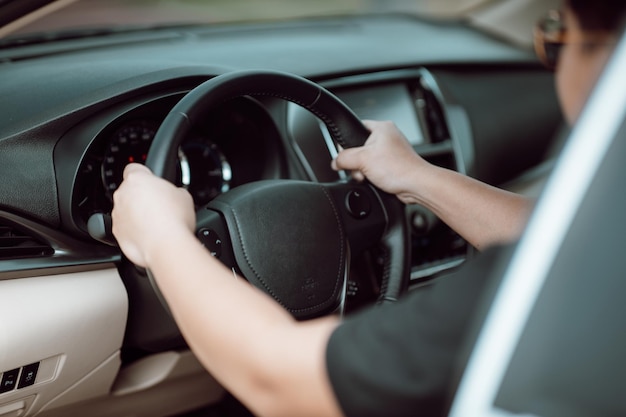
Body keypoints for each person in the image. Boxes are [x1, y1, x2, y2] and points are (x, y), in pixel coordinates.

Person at [111, 1, 624, 416]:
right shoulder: (599, 252)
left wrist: (165, 239)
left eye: (556, 37)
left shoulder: (511, 303)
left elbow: (277, 381)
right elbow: (558, 240)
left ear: (609, 64)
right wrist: (419, 176)